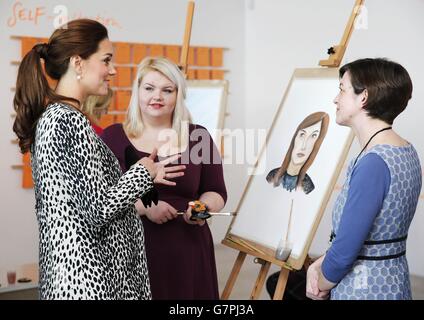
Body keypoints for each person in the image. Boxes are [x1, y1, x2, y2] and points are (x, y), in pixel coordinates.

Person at [12, 19, 185, 300]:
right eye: (106, 60)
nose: (113, 70)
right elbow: (99, 209)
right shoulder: (68, 121)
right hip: (89, 283)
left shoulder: (59, 118)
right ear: (78, 63)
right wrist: (143, 173)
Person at [101, 56, 227, 299]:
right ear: (137, 91)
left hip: (188, 248)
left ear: (178, 95)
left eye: (166, 90)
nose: (157, 96)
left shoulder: (198, 136)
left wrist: (202, 208)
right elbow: (103, 198)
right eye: (149, 88)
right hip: (132, 249)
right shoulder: (112, 137)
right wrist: (145, 207)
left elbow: (216, 191)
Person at [306, 58, 422, 300]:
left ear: (364, 97)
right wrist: (318, 266)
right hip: (393, 280)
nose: (335, 99)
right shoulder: (406, 150)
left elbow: (346, 249)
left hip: (364, 288)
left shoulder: (374, 163)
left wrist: (321, 282)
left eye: (341, 89)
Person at [266, 112, 329, 194]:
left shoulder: (307, 186)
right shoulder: (272, 176)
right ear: (295, 137)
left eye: (313, 136)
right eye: (302, 134)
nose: (304, 145)